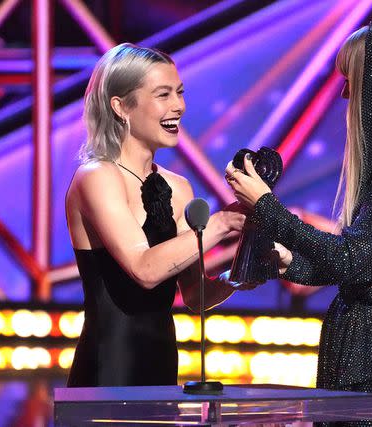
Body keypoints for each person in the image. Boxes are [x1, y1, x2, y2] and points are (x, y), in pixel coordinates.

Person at [225, 21, 372, 425]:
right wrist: (289, 264)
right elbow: (367, 263)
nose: (344, 92)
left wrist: (268, 208)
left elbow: (355, 260)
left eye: (351, 79)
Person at [65, 43, 247, 387]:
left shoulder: (178, 188)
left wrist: (238, 277)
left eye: (179, 93)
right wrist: (223, 223)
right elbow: (145, 269)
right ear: (121, 107)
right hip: (108, 371)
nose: (179, 106)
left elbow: (193, 295)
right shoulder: (97, 176)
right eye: (163, 95)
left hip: (162, 367)